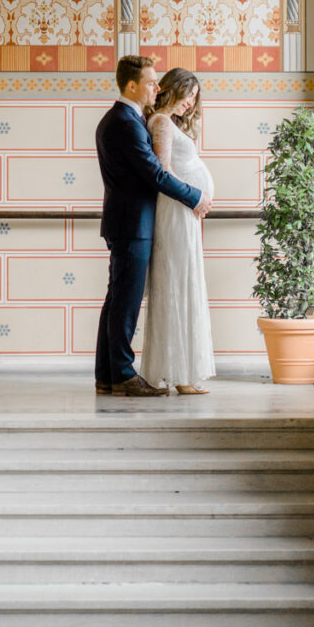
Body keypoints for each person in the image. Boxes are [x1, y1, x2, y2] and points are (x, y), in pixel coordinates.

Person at [94, 55, 212, 397]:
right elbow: (156, 173)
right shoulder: (125, 123)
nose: (156, 88)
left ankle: (107, 374)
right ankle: (123, 375)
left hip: (129, 222)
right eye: (150, 82)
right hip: (133, 224)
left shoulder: (122, 119)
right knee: (125, 304)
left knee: (117, 300)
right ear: (132, 86)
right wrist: (195, 197)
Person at [140, 68, 216, 394]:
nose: (189, 103)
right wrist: (194, 197)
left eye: (194, 99)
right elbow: (164, 171)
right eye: (188, 95)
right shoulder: (161, 122)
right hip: (176, 212)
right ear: (173, 89)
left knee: (184, 282)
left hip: (184, 214)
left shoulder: (168, 123)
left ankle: (183, 373)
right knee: (177, 283)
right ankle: (178, 375)